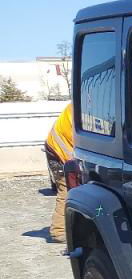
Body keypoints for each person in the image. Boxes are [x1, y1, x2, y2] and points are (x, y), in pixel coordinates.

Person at [44, 103, 74, 243]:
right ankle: (58, 232)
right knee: (66, 190)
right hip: (59, 154)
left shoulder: (82, 104)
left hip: (59, 150)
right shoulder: (83, 109)